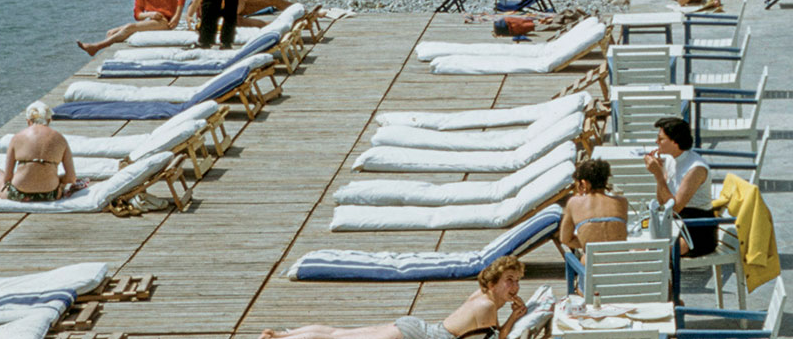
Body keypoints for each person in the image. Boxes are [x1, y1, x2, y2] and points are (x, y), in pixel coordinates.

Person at [257, 255, 527, 339]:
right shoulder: (487, 306)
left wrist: (511, 310)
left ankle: (282, 335)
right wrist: (514, 317)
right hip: (413, 336)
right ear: (493, 283)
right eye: (509, 281)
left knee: (339, 334)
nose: (514, 287)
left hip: (415, 328)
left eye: (516, 281)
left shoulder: (482, 295)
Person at [646, 117, 715, 301]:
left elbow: (675, 206)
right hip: (676, 223)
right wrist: (659, 176)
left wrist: (659, 176)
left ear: (675, 141)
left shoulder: (696, 168)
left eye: (661, 139)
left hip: (697, 230)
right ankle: (664, 296)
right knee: (642, 248)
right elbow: (662, 202)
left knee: (655, 253)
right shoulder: (671, 160)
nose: (656, 142)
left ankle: (669, 298)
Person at [0, 102, 79, 204]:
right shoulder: (60, 139)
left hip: (19, 194)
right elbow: (71, 178)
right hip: (51, 194)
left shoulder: (17, 137)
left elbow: (7, 179)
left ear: (28, 121)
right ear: (49, 120)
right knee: (57, 176)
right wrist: (57, 179)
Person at [559, 159, 631, 262]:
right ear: (605, 181)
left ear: (584, 183)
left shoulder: (574, 203)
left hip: (593, 270)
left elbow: (565, 239)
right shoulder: (622, 202)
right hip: (620, 269)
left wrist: (589, 241)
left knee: (582, 258)